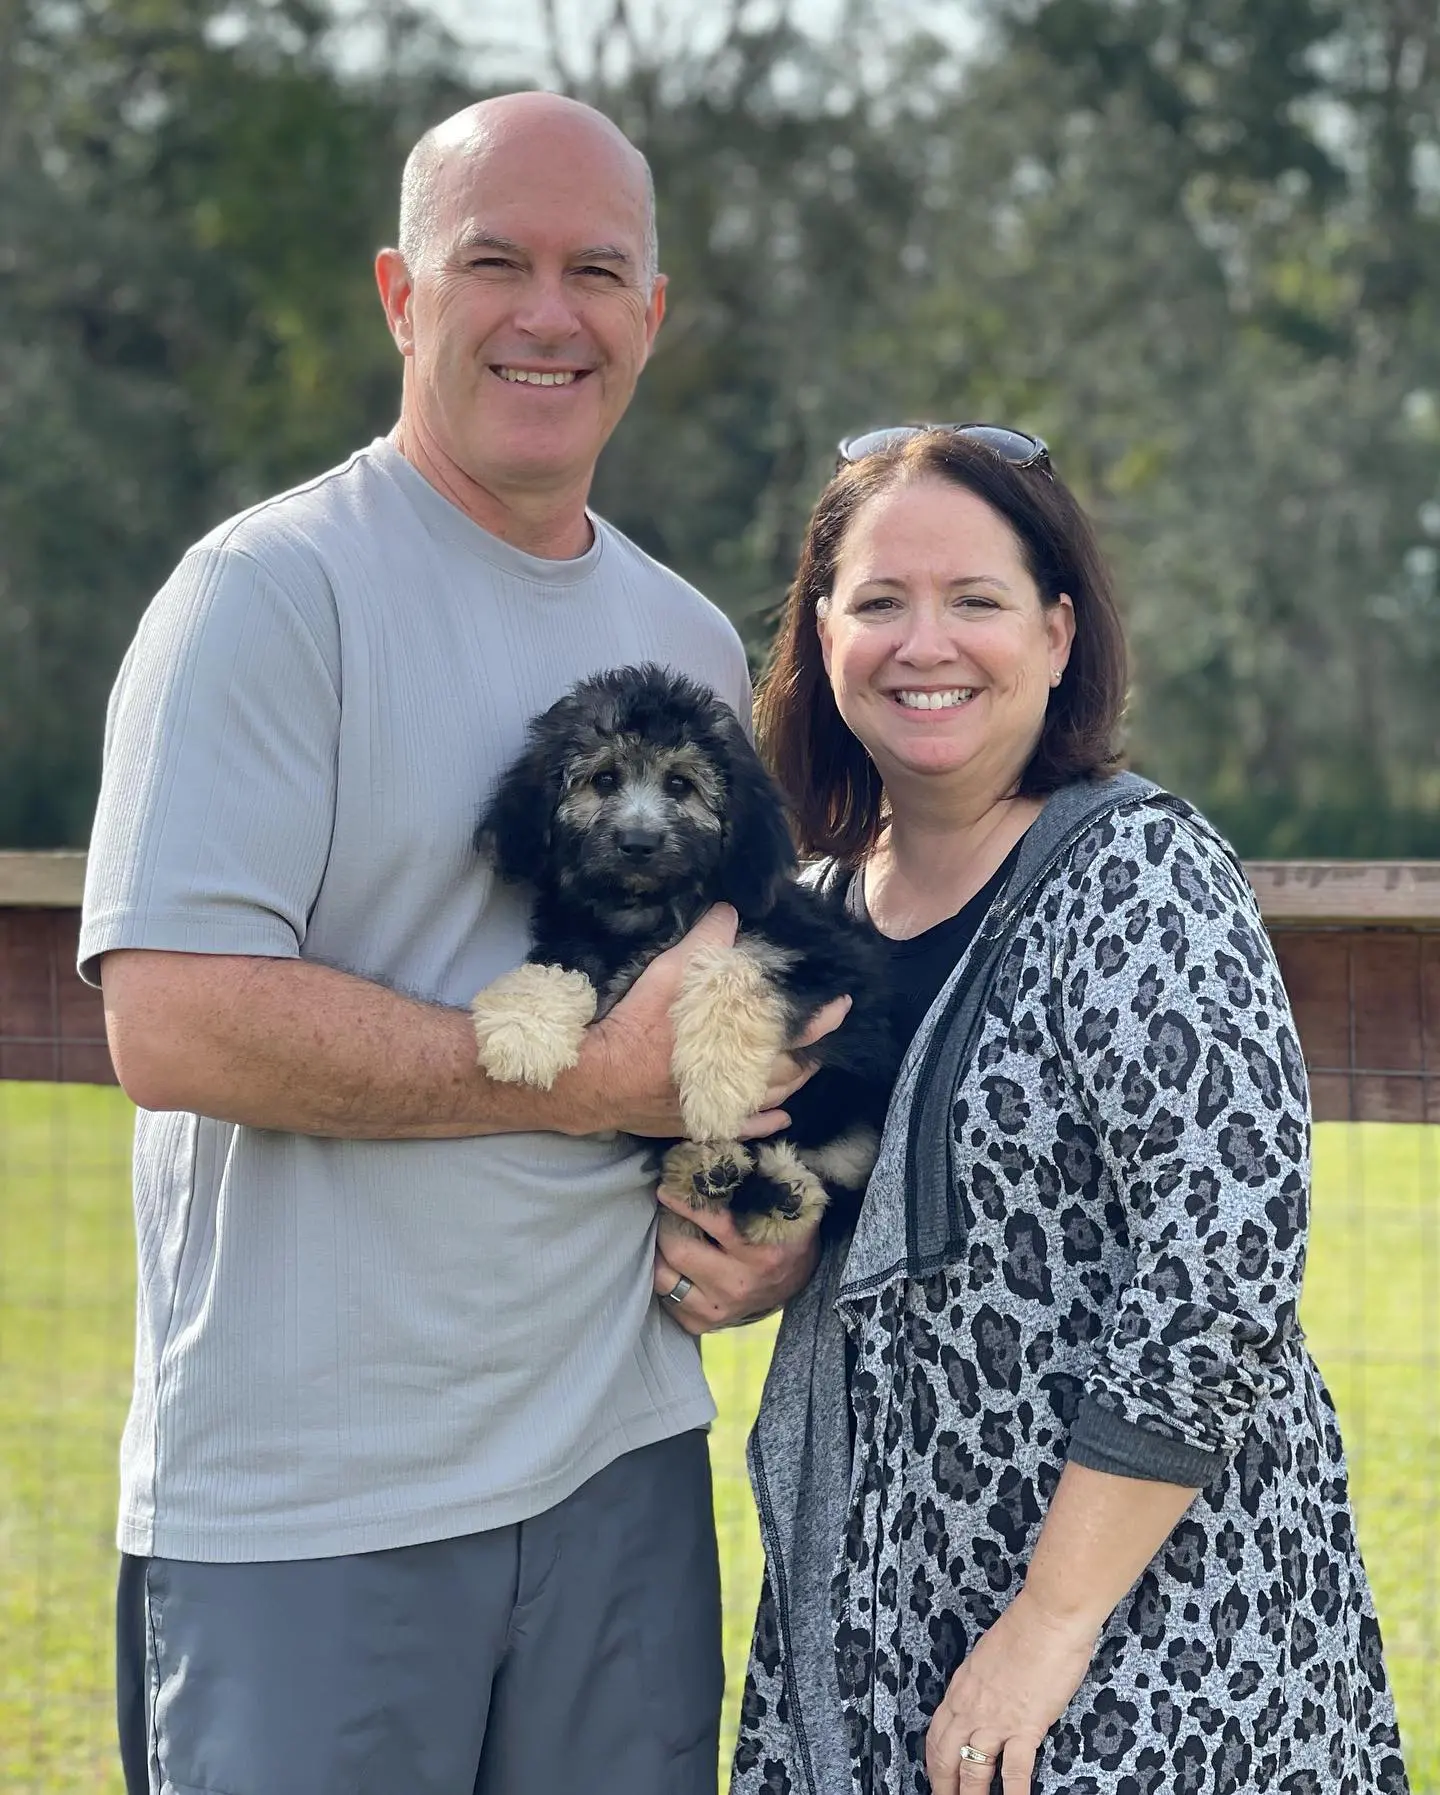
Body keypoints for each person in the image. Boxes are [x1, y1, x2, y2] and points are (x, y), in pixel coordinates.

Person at [80, 92, 836, 1795]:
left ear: (654, 314)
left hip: (621, 1476)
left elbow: (743, 1001)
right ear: (400, 295)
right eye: (494, 261)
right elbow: (174, 1025)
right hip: (310, 1506)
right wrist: (580, 1084)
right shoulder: (266, 595)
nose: (548, 312)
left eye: (597, 270)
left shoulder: (689, 642)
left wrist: (761, 1229)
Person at [720, 426, 1410, 1795]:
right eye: (879, 601)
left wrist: (1048, 1624)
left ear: (1055, 630)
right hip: (885, 1630)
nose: (927, 643)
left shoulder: (1141, 877)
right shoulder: (806, 914)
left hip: (1155, 1625)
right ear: (821, 632)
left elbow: (1223, 1277)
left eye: (975, 600)